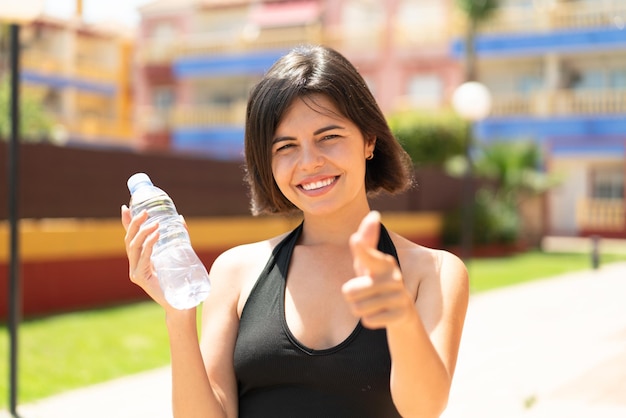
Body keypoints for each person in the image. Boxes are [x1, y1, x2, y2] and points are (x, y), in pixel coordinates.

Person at [122, 45, 468, 418]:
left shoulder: (432, 272)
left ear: (369, 140)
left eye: (328, 137)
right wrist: (179, 317)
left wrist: (401, 317)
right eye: (286, 146)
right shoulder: (236, 271)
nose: (309, 162)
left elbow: (424, 408)